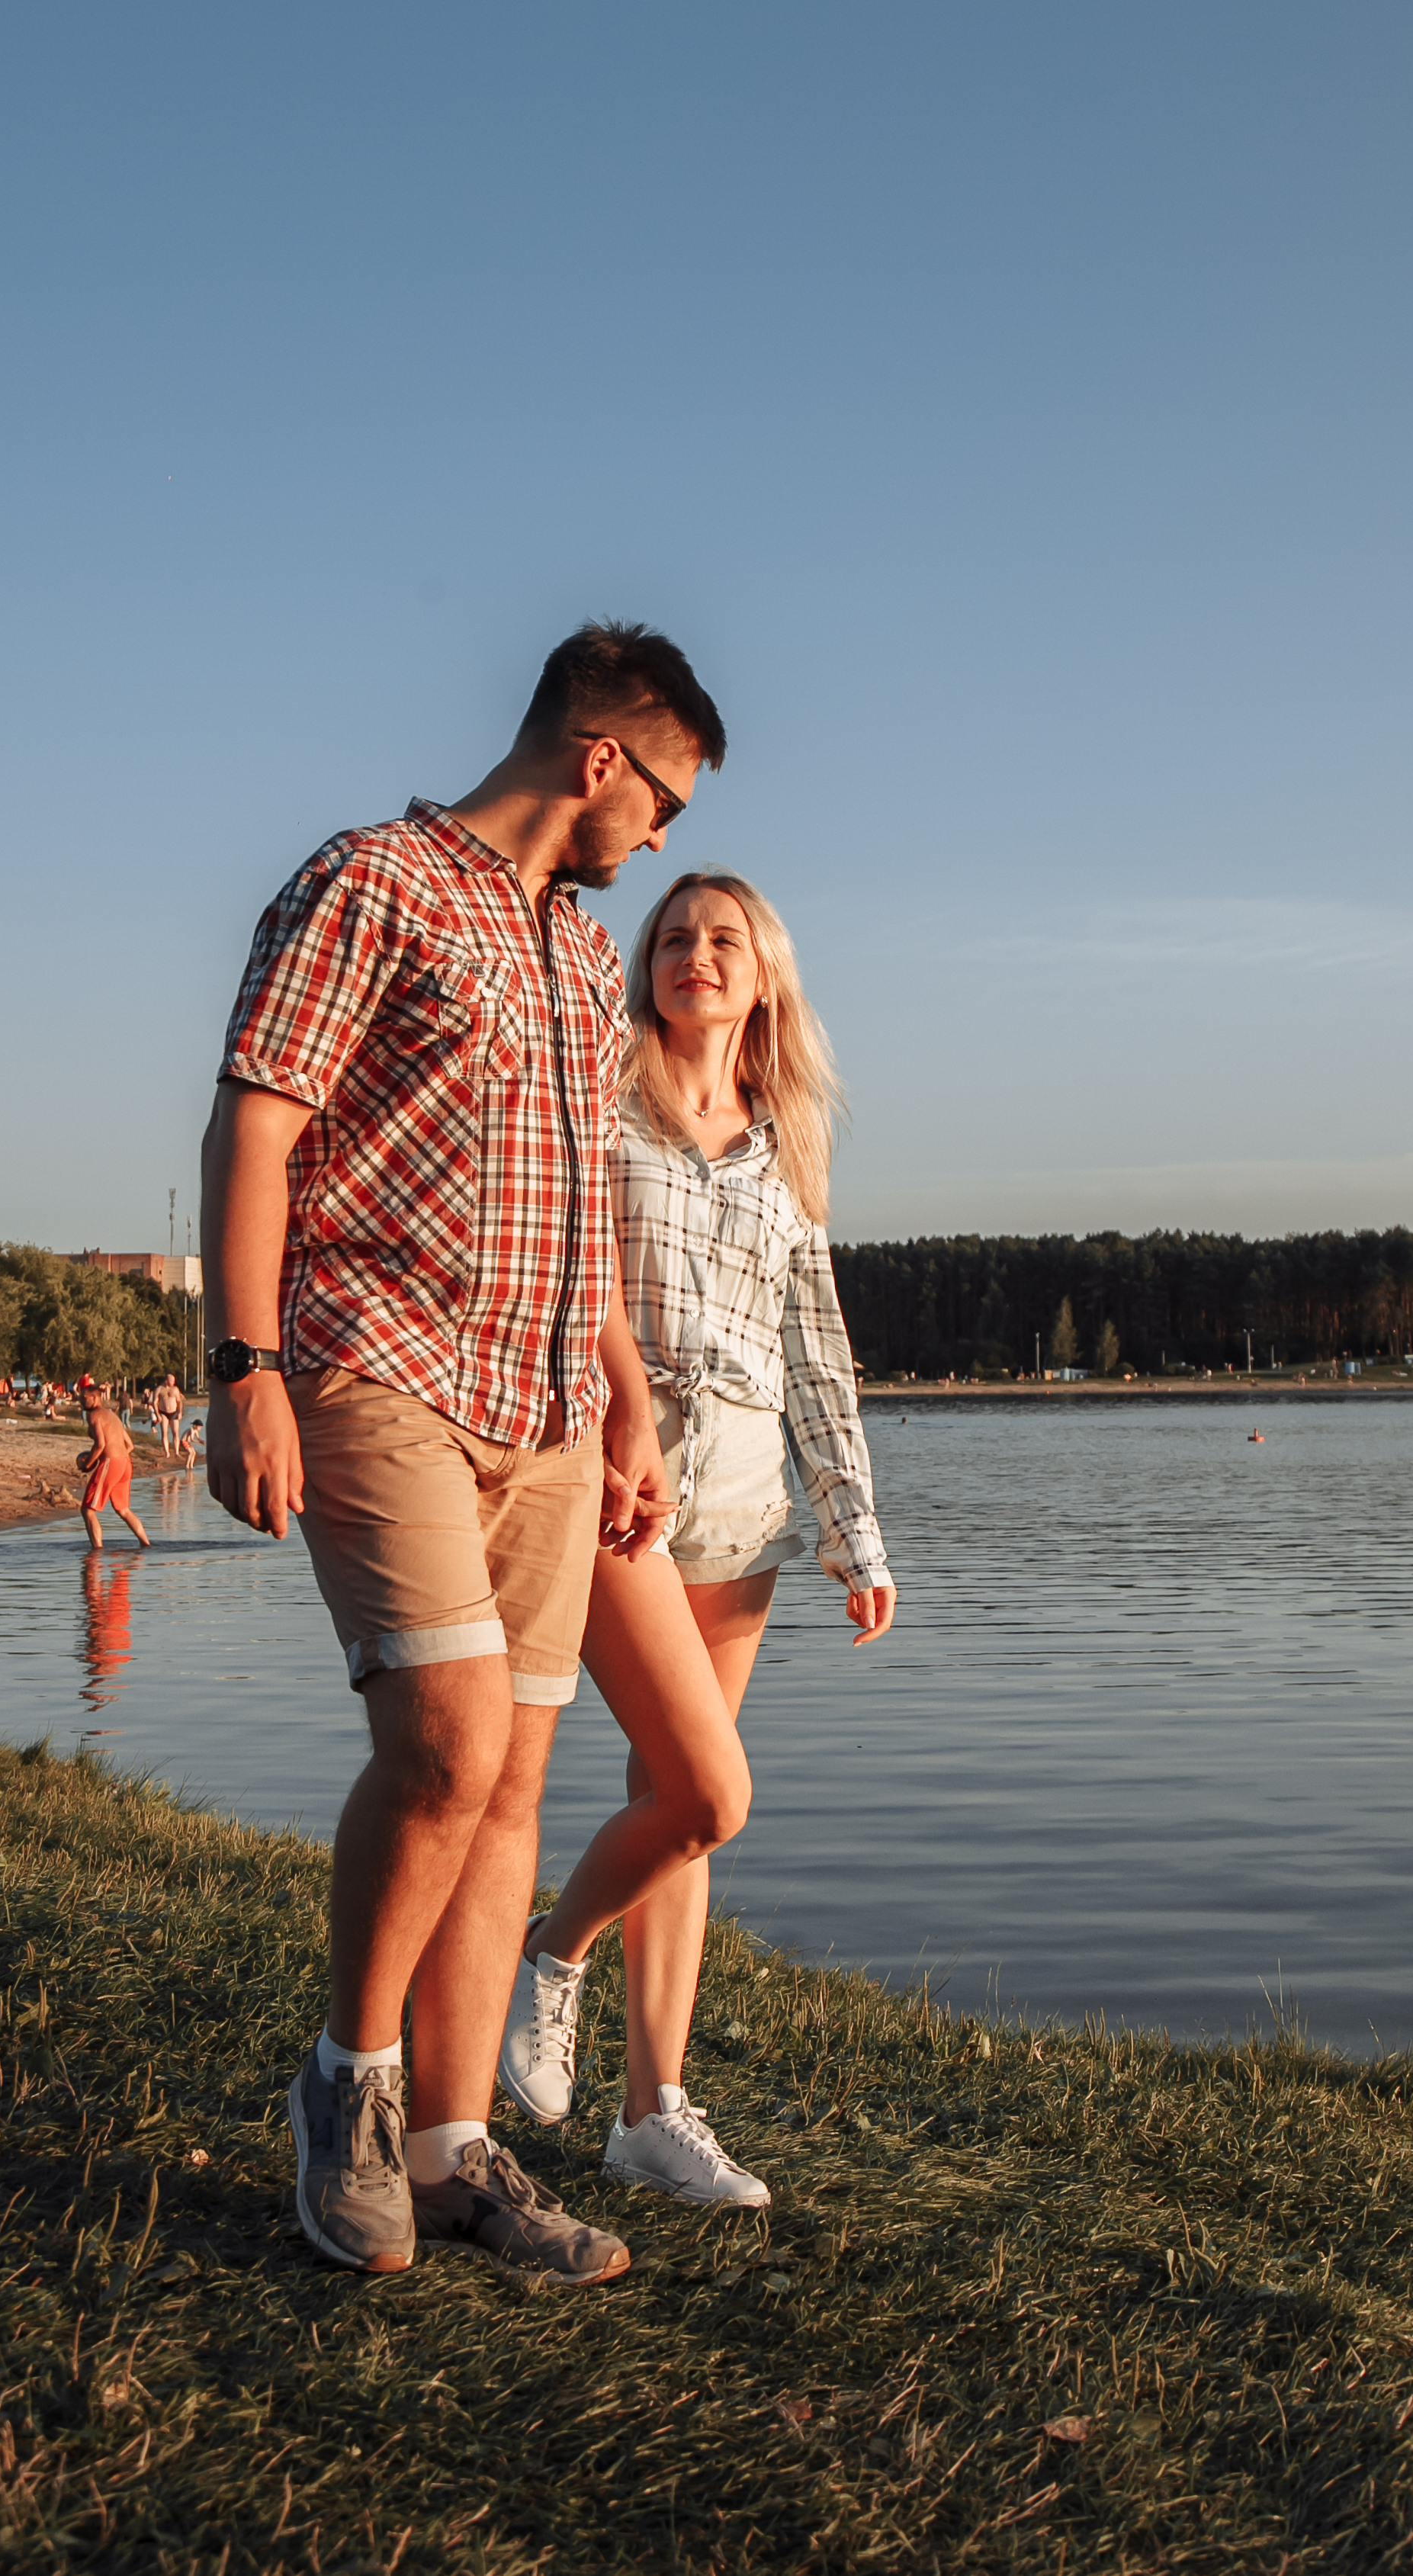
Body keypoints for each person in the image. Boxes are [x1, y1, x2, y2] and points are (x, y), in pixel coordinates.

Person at [202, 619, 725, 2284]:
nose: (661, 840)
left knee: (507, 1780)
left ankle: (447, 2149)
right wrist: (242, 1365)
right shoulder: (368, 882)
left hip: (551, 1412)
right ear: (600, 759)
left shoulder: (582, 962)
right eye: (664, 802)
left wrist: (627, 1394)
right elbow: (256, 1121)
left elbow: (579, 1212)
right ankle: (341, 2092)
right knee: (435, 1743)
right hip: (378, 1366)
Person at [499, 871, 895, 2205]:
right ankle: (549, 1958)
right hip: (617, 1488)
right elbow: (559, 1261)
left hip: (743, 1509)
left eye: (724, 939)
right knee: (705, 1787)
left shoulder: (785, 1136)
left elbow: (817, 1348)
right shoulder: (603, 1091)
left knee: (676, 1814)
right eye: (675, 935)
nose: (695, 954)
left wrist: (857, 1529)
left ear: (764, 975)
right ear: (649, 966)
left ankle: (651, 2112)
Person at [77, 1382, 152, 1552]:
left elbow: (101, 1445)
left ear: (95, 1398)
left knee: (88, 1510)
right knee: (124, 1510)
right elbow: (130, 1445)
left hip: (112, 1463)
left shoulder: (94, 1415)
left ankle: (97, 1552)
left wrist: (88, 1464)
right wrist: (116, 1456)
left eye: (84, 1398)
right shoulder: (112, 1415)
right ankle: (146, 1544)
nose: (80, 1401)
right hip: (125, 1463)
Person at [155, 1373, 185, 1455]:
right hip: (163, 1412)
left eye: (174, 1381)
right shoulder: (160, 1389)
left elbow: (179, 1401)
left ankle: (177, 1452)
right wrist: (158, 1415)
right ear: (167, 1381)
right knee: (165, 1432)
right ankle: (167, 1452)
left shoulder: (175, 1389)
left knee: (175, 1432)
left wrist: (180, 1412)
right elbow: (155, 1402)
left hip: (174, 1412)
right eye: (172, 1381)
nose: (174, 1382)